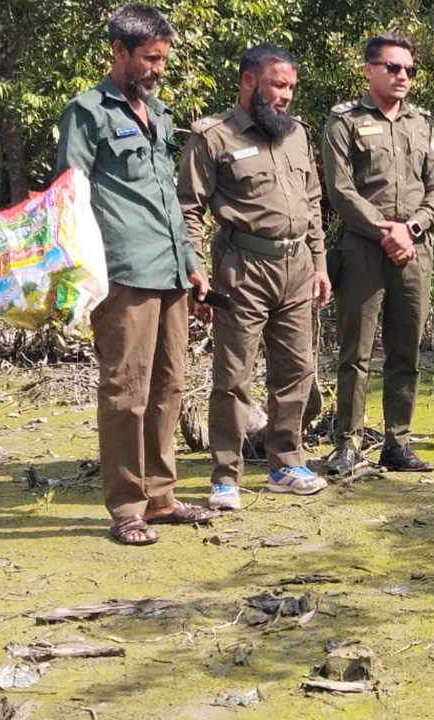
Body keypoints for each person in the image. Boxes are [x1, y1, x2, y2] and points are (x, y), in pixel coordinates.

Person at [54, 4, 218, 545]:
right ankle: (126, 507)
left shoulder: (160, 112)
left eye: (162, 59)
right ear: (119, 52)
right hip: (122, 272)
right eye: (149, 58)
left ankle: (161, 496)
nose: (157, 68)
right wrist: (77, 273)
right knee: (127, 391)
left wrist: (193, 265)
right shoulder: (86, 111)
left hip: (170, 269)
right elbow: (69, 194)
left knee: (169, 386)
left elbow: (168, 197)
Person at [176, 44, 332, 510]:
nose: (285, 96)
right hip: (241, 270)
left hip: (297, 266)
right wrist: (195, 271)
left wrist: (320, 264)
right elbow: (188, 209)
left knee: (296, 371)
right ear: (249, 82)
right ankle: (225, 476)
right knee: (233, 377)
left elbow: (313, 205)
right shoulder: (213, 137)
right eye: (277, 85)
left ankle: (286, 463)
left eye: (290, 87)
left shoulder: (296, 135)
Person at [319, 31, 434, 475]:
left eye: (409, 70)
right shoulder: (344, 122)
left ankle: (398, 442)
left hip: (414, 251)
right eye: (393, 67)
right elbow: (340, 190)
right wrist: (385, 230)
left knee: (405, 350)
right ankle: (348, 442)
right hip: (363, 252)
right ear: (368, 70)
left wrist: (410, 230)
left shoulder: (422, 123)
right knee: (355, 351)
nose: (402, 76)